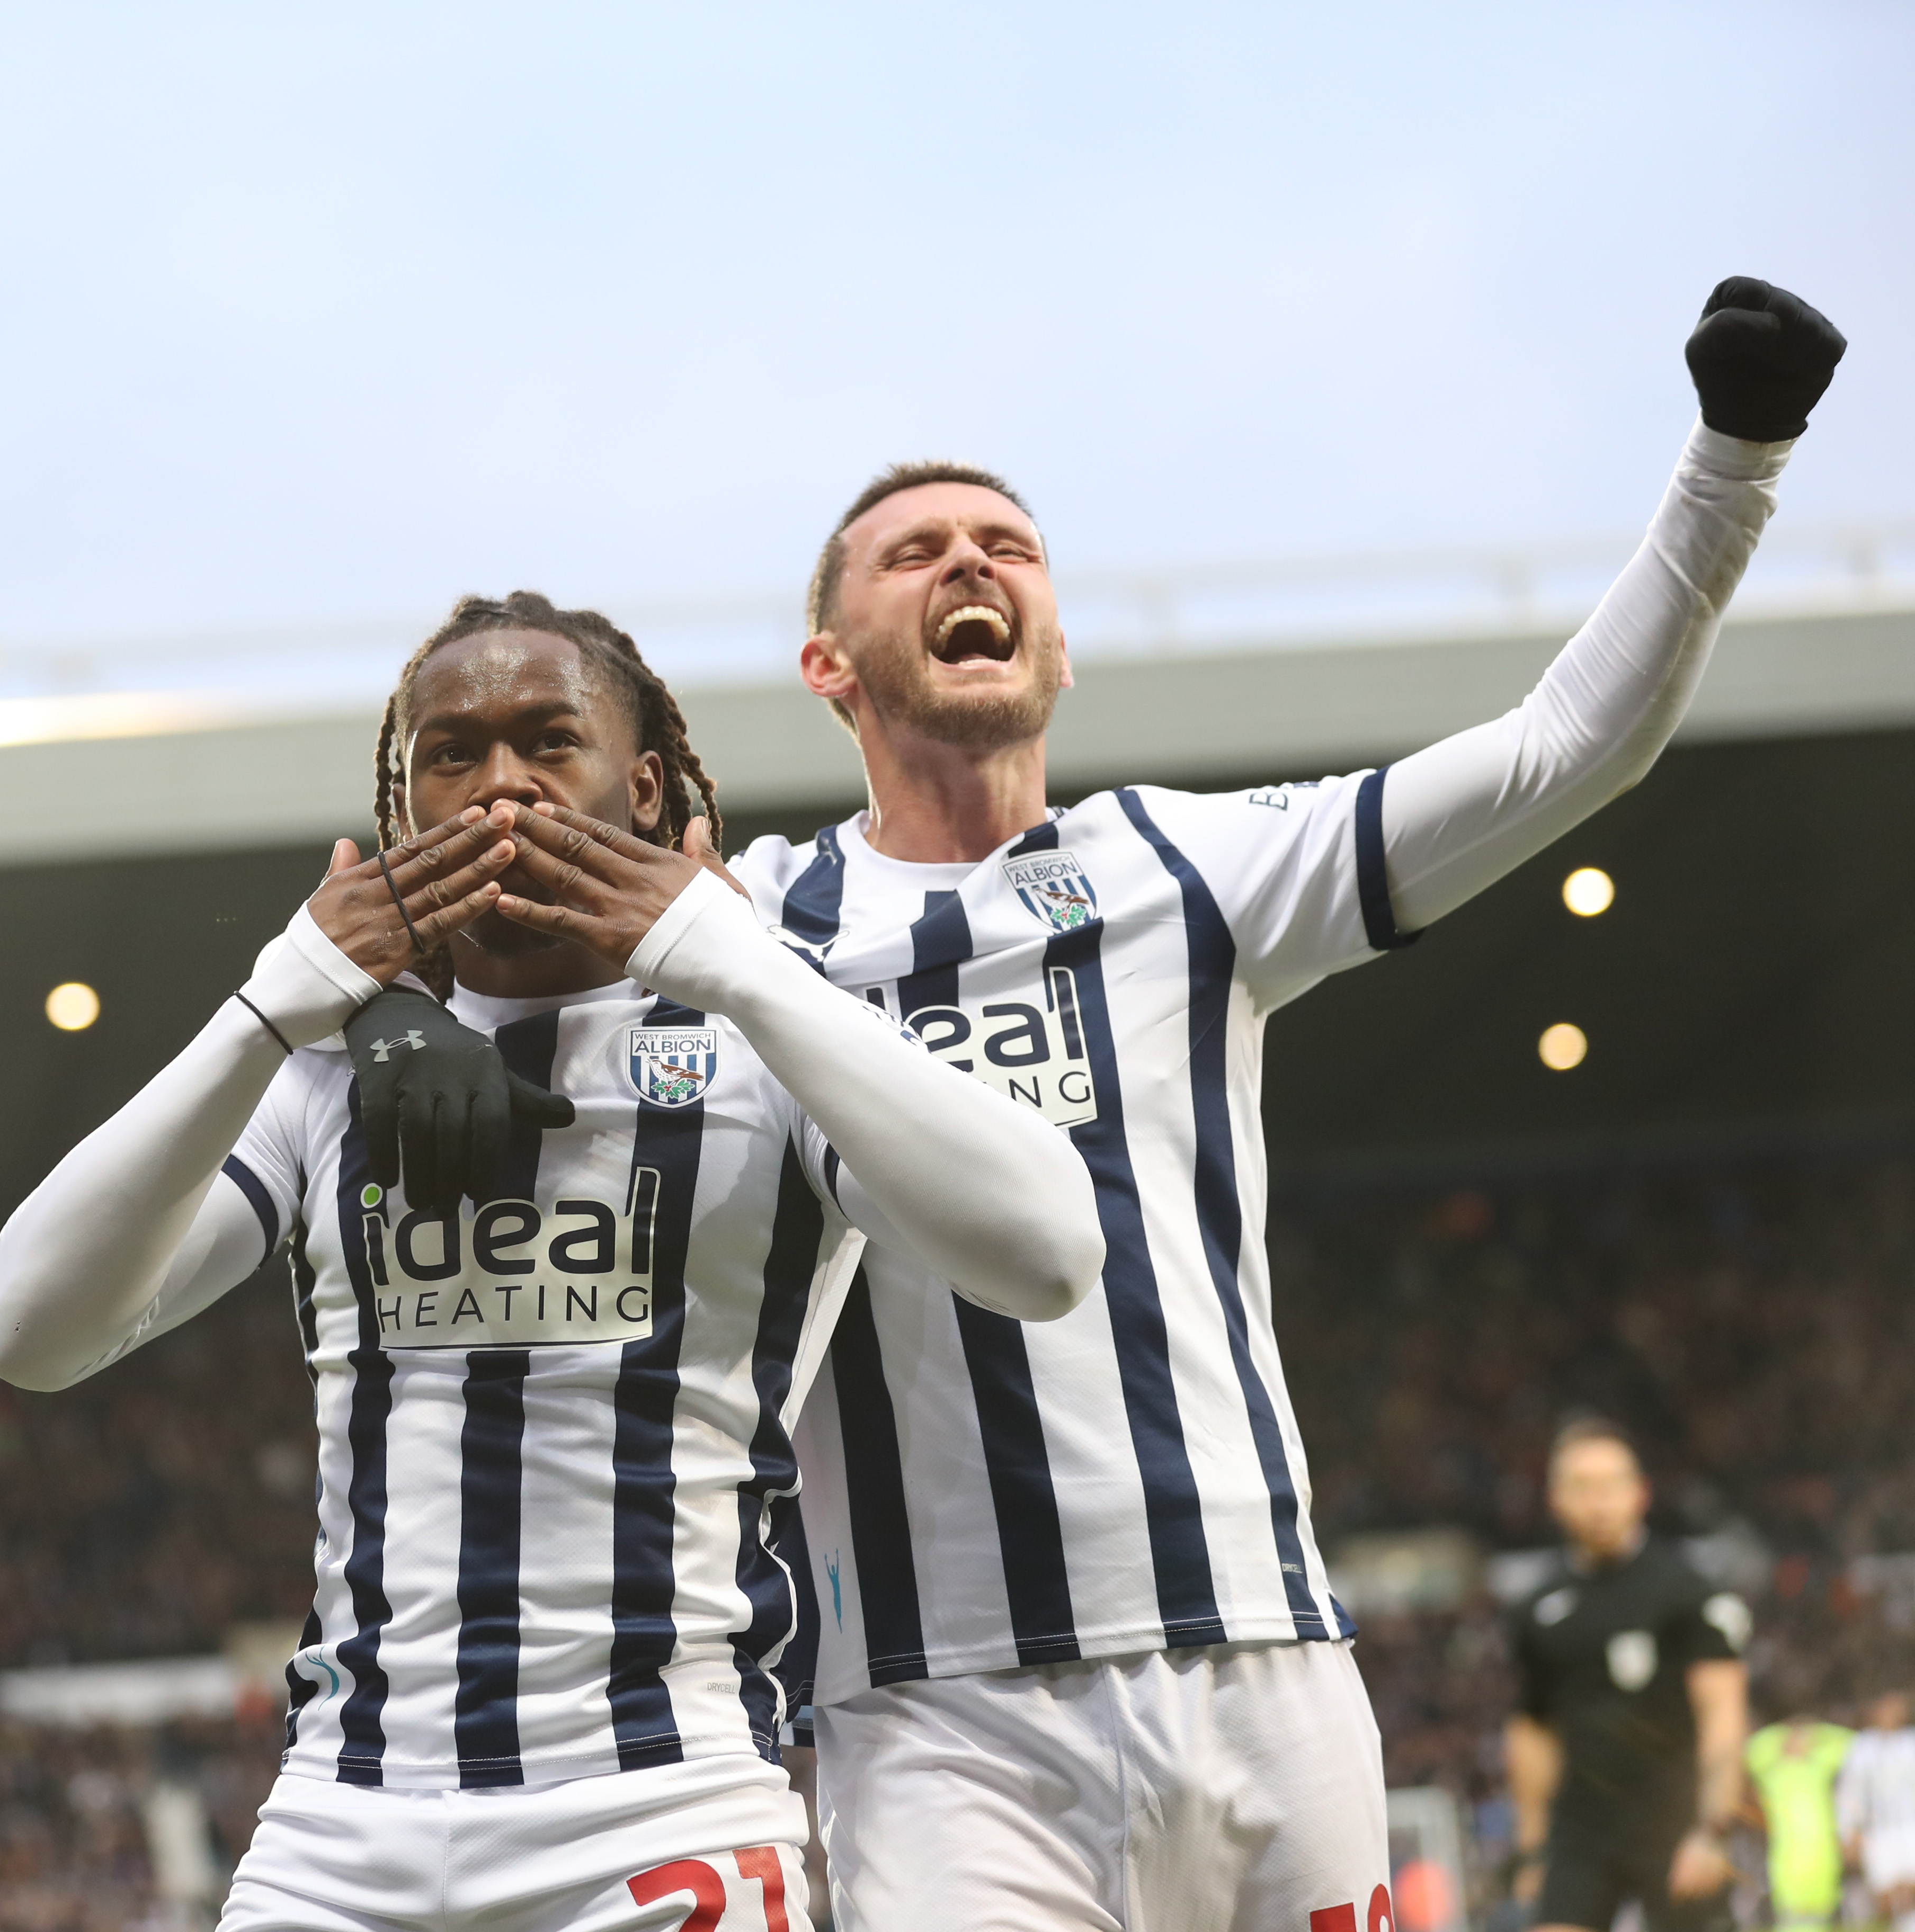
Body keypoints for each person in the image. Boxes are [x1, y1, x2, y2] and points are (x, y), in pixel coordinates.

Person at [708, 275, 1836, 1932]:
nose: (971, 563)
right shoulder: (750, 930)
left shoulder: (1189, 866)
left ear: (1059, 646)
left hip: (1268, 1675)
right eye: (918, 550)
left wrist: (1736, 457)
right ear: (828, 662)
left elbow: (1557, 753)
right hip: (945, 1720)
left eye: (1009, 547)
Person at [0, 594, 1103, 1932]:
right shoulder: (320, 1072)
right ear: (399, 813)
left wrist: (731, 961)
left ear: (638, 787)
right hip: (341, 1824)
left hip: (658, 1809)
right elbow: (28, 1330)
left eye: (544, 740)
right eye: (448, 754)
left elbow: (1047, 1253)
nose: (497, 781)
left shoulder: (773, 1038)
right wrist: (277, 1001)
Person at [1505, 1419, 1753, 1932]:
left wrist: (1713, 1828)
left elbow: (1723, 1712)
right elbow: (1532, 1729)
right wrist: (1533, 1849)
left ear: (1640, 1493)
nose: (1599, 1502)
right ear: (1556, 1500)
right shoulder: (1537, 1608)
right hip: (1583, 1829)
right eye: (1583, 1487)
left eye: (1612, 1485)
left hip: (1674, 1819)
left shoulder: (1686, 1590)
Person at [1745, 1709, 1852, 1931]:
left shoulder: (1820, 1766)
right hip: (1787, 1864)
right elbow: (1752, 1748)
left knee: (1824, 1918)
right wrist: (1783, 1734)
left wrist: (1815, 1732)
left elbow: (1854, 1744)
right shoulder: (1773, 1771)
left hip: (1824, 1858)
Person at [1839, 1690, 1915, 1932]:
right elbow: (1850, 1793)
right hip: (1880, 1836)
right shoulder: (1862, 1748)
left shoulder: (1911, 1744)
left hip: (1911, 1831)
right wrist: (1848, 1832)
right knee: (1885, 1902)